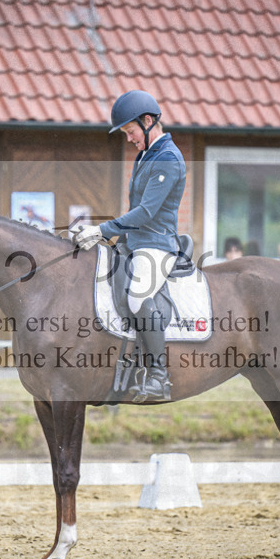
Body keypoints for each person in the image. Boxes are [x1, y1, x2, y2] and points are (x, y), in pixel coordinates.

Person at [72, 90, 186, 403]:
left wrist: (101, 230)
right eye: (125, 133)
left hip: (157, 244)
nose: (129, 139)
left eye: (131, 131)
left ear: (148, 122)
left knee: (138, 296)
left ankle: (159, 376)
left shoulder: (168, 157)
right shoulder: (145, 155)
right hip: (134, 242)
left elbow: (146, 212)